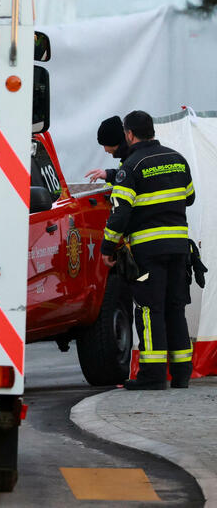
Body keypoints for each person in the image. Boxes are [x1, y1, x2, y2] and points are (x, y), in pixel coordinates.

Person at [100, 111, 195, 390]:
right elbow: (189, 197)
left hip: (147, 252)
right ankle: (181, 374)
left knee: (148, 309)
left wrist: (108, 247)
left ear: (129, 134)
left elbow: (120, 213)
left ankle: (152, 376)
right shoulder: (177, 159)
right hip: (179, 247)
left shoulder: (130, 166)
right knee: (175, 308)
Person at [85, 115, 130, 184]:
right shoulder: (129, 155)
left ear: (113, 142)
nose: (105, 150)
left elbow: (129, 178)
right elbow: (127, 175)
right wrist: (107, 174)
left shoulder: (133, 158)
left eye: (104, 145)